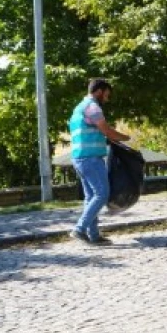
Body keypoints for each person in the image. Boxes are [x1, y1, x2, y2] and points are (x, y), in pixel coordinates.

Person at [67, 78, 130, 246]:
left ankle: (93, 235)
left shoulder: (78, 108)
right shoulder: (93, 107)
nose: (107, 99)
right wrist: (125, 138)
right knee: (102, 194)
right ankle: (79, 229)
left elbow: (92, 132)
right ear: (99, 91)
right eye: (106, 95)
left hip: (79, 157)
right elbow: (107, 130)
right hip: (91, 158)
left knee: (91, 197)